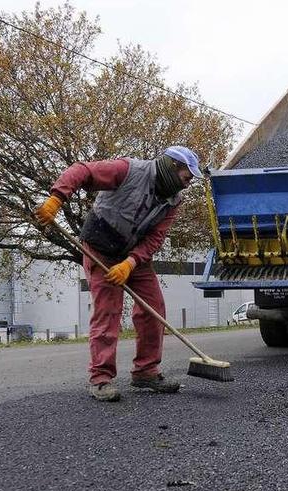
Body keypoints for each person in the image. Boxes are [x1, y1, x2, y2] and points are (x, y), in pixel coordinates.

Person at [35, 146, 203, 402]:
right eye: (187, 177)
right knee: (108, 311)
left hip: (133, 254)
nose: (188, 184)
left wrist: (131, 263)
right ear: (172, 167)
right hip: (100, 247)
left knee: (153, 308)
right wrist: (56, 199)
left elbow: (155, 238)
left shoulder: (174, 200)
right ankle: (100, 379)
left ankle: (145, 371)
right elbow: (82, 170)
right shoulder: (127, 170)